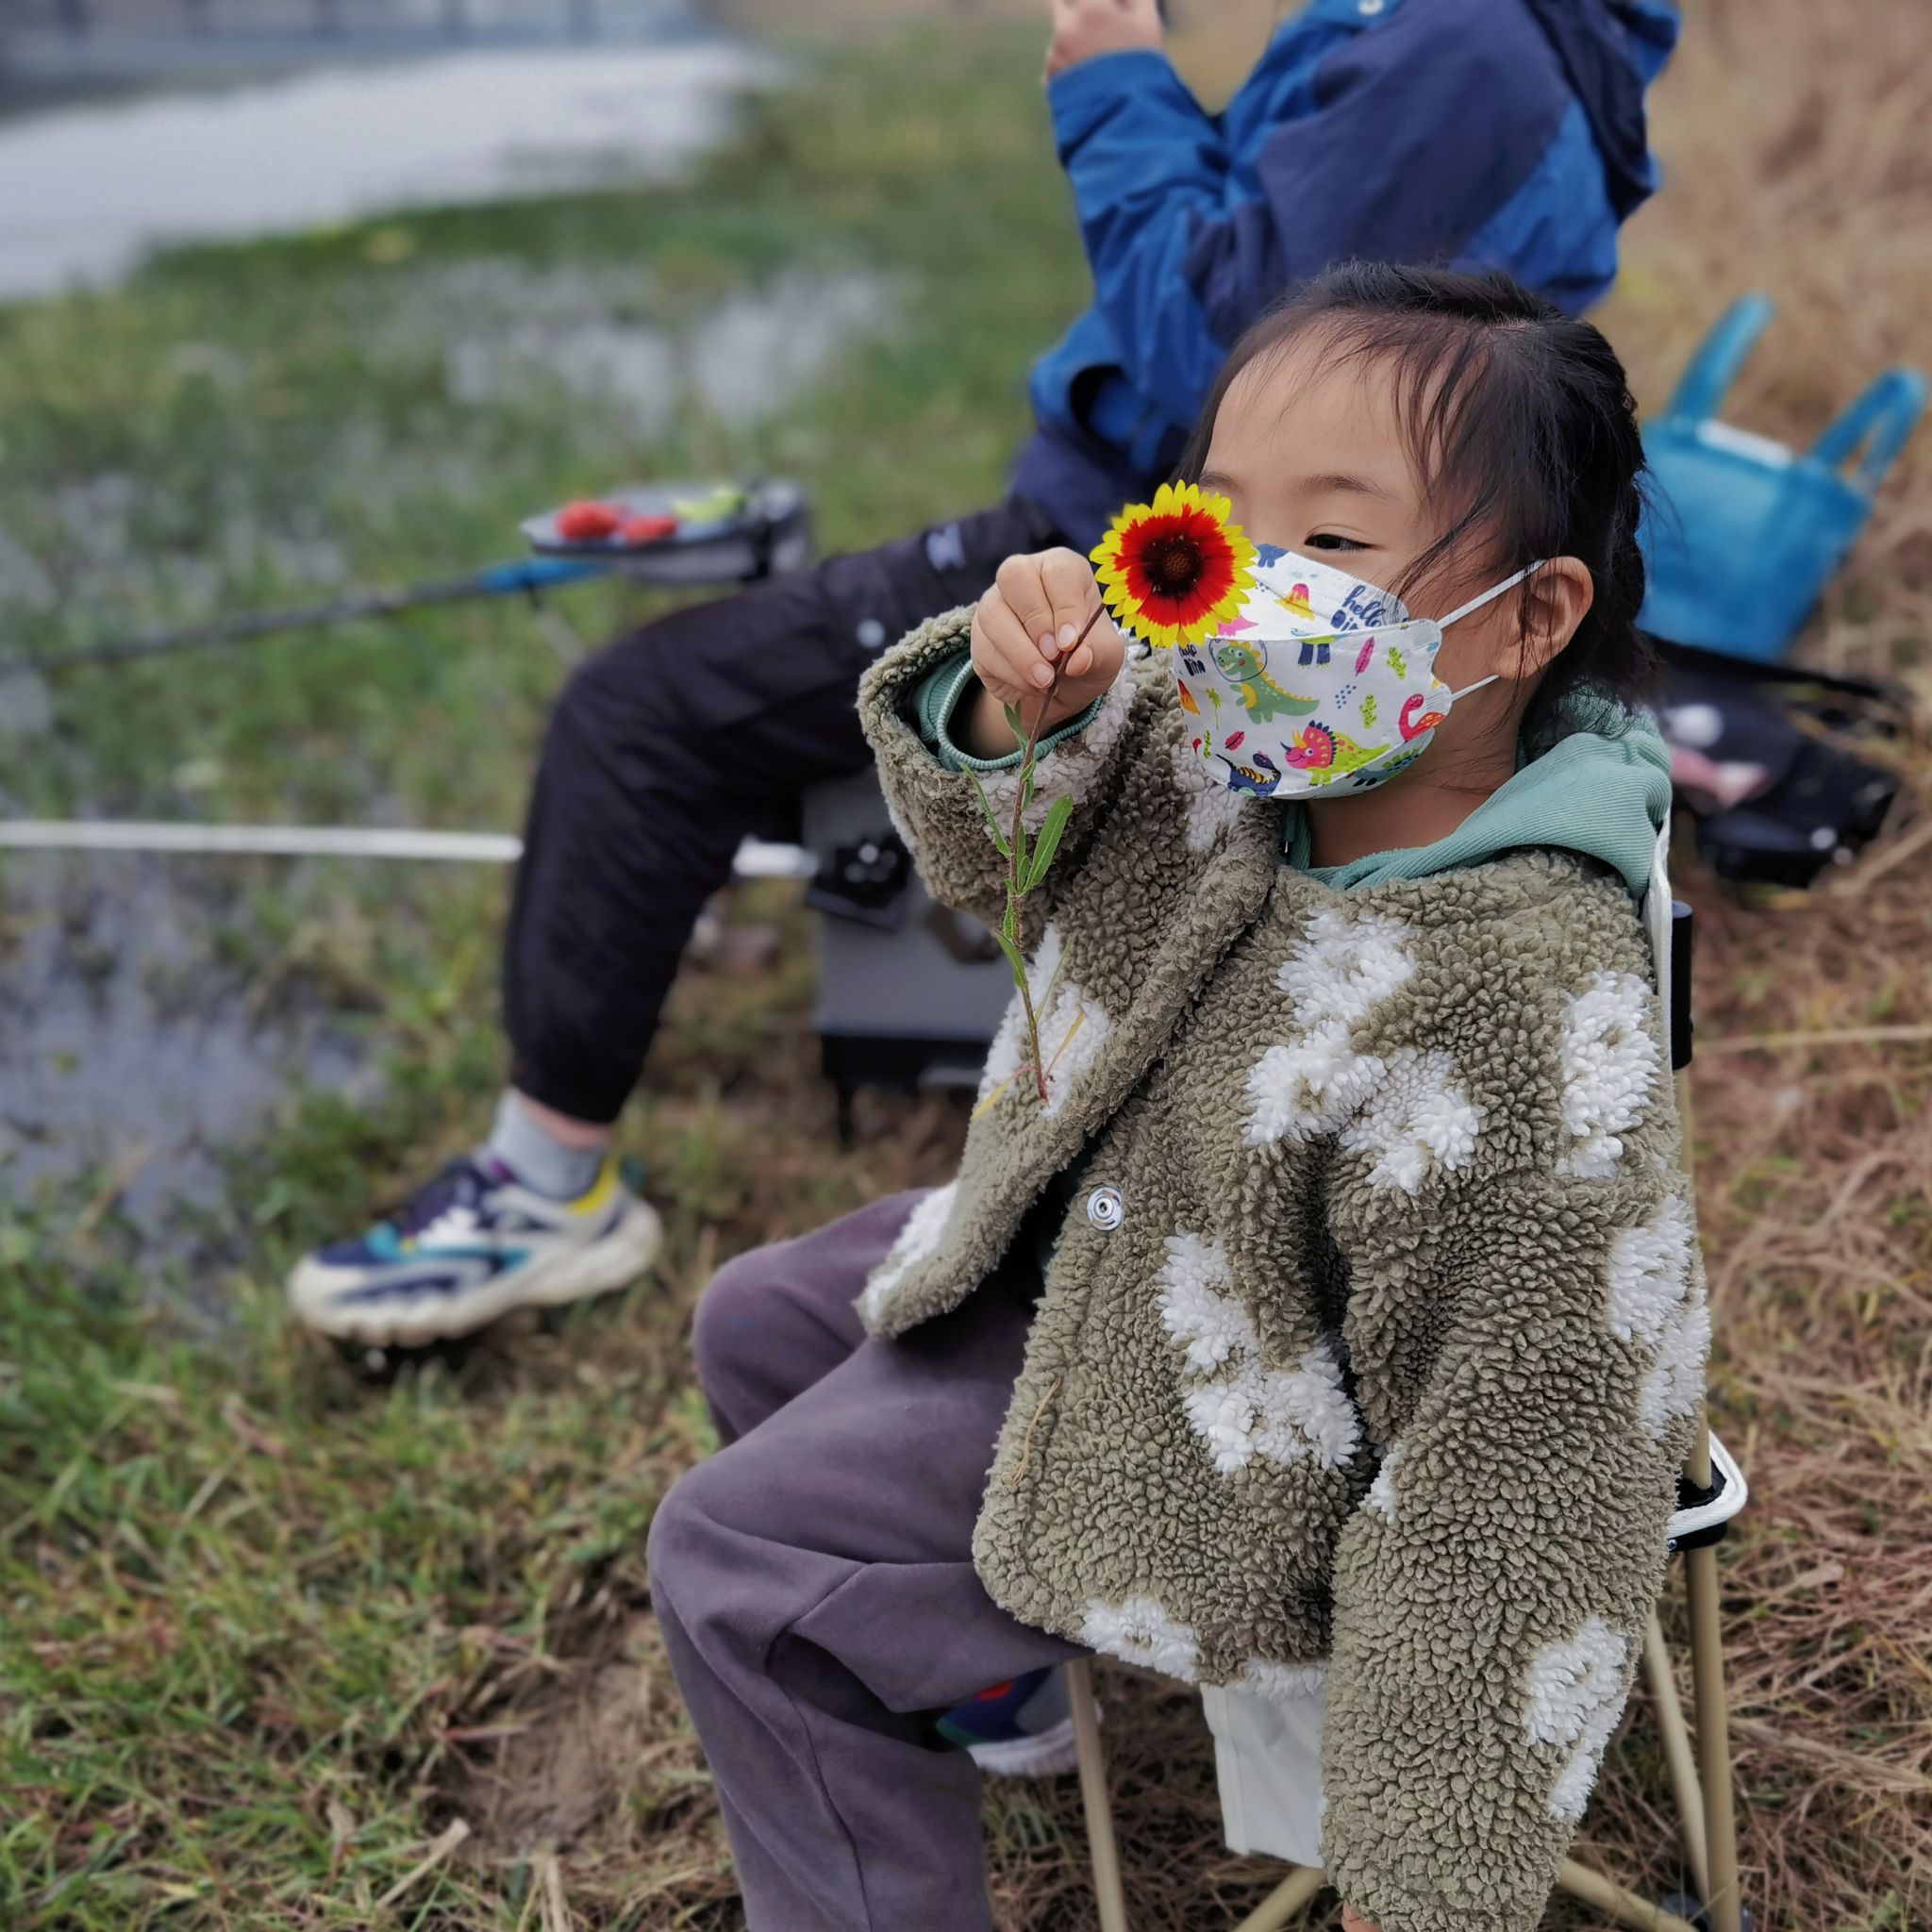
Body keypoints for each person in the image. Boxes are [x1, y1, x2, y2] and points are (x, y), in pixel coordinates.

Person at [288, 0, 1679, 1353]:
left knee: (639, 714)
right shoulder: (1458, 36)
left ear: (1541, 617)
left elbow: (1230, 356)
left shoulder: (1466, 47)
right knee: (812, 712)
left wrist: (1118, 88)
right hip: (1134, 544)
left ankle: (544, 1187)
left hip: (1154, 564)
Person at [644, 262, 1710, 1931]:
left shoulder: (1519, 988)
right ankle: (988, 1678)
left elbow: (1522, 1477)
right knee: (752, 1325)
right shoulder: (1228, 742)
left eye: (1337, 547)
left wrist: (1417, 1876)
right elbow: (983, 866)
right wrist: (1009, 711)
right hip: (1122, 1220)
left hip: (1243, 1411)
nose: (1254, 599)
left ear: (1528, 616)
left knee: (736, 1562)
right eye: (1219, 532)